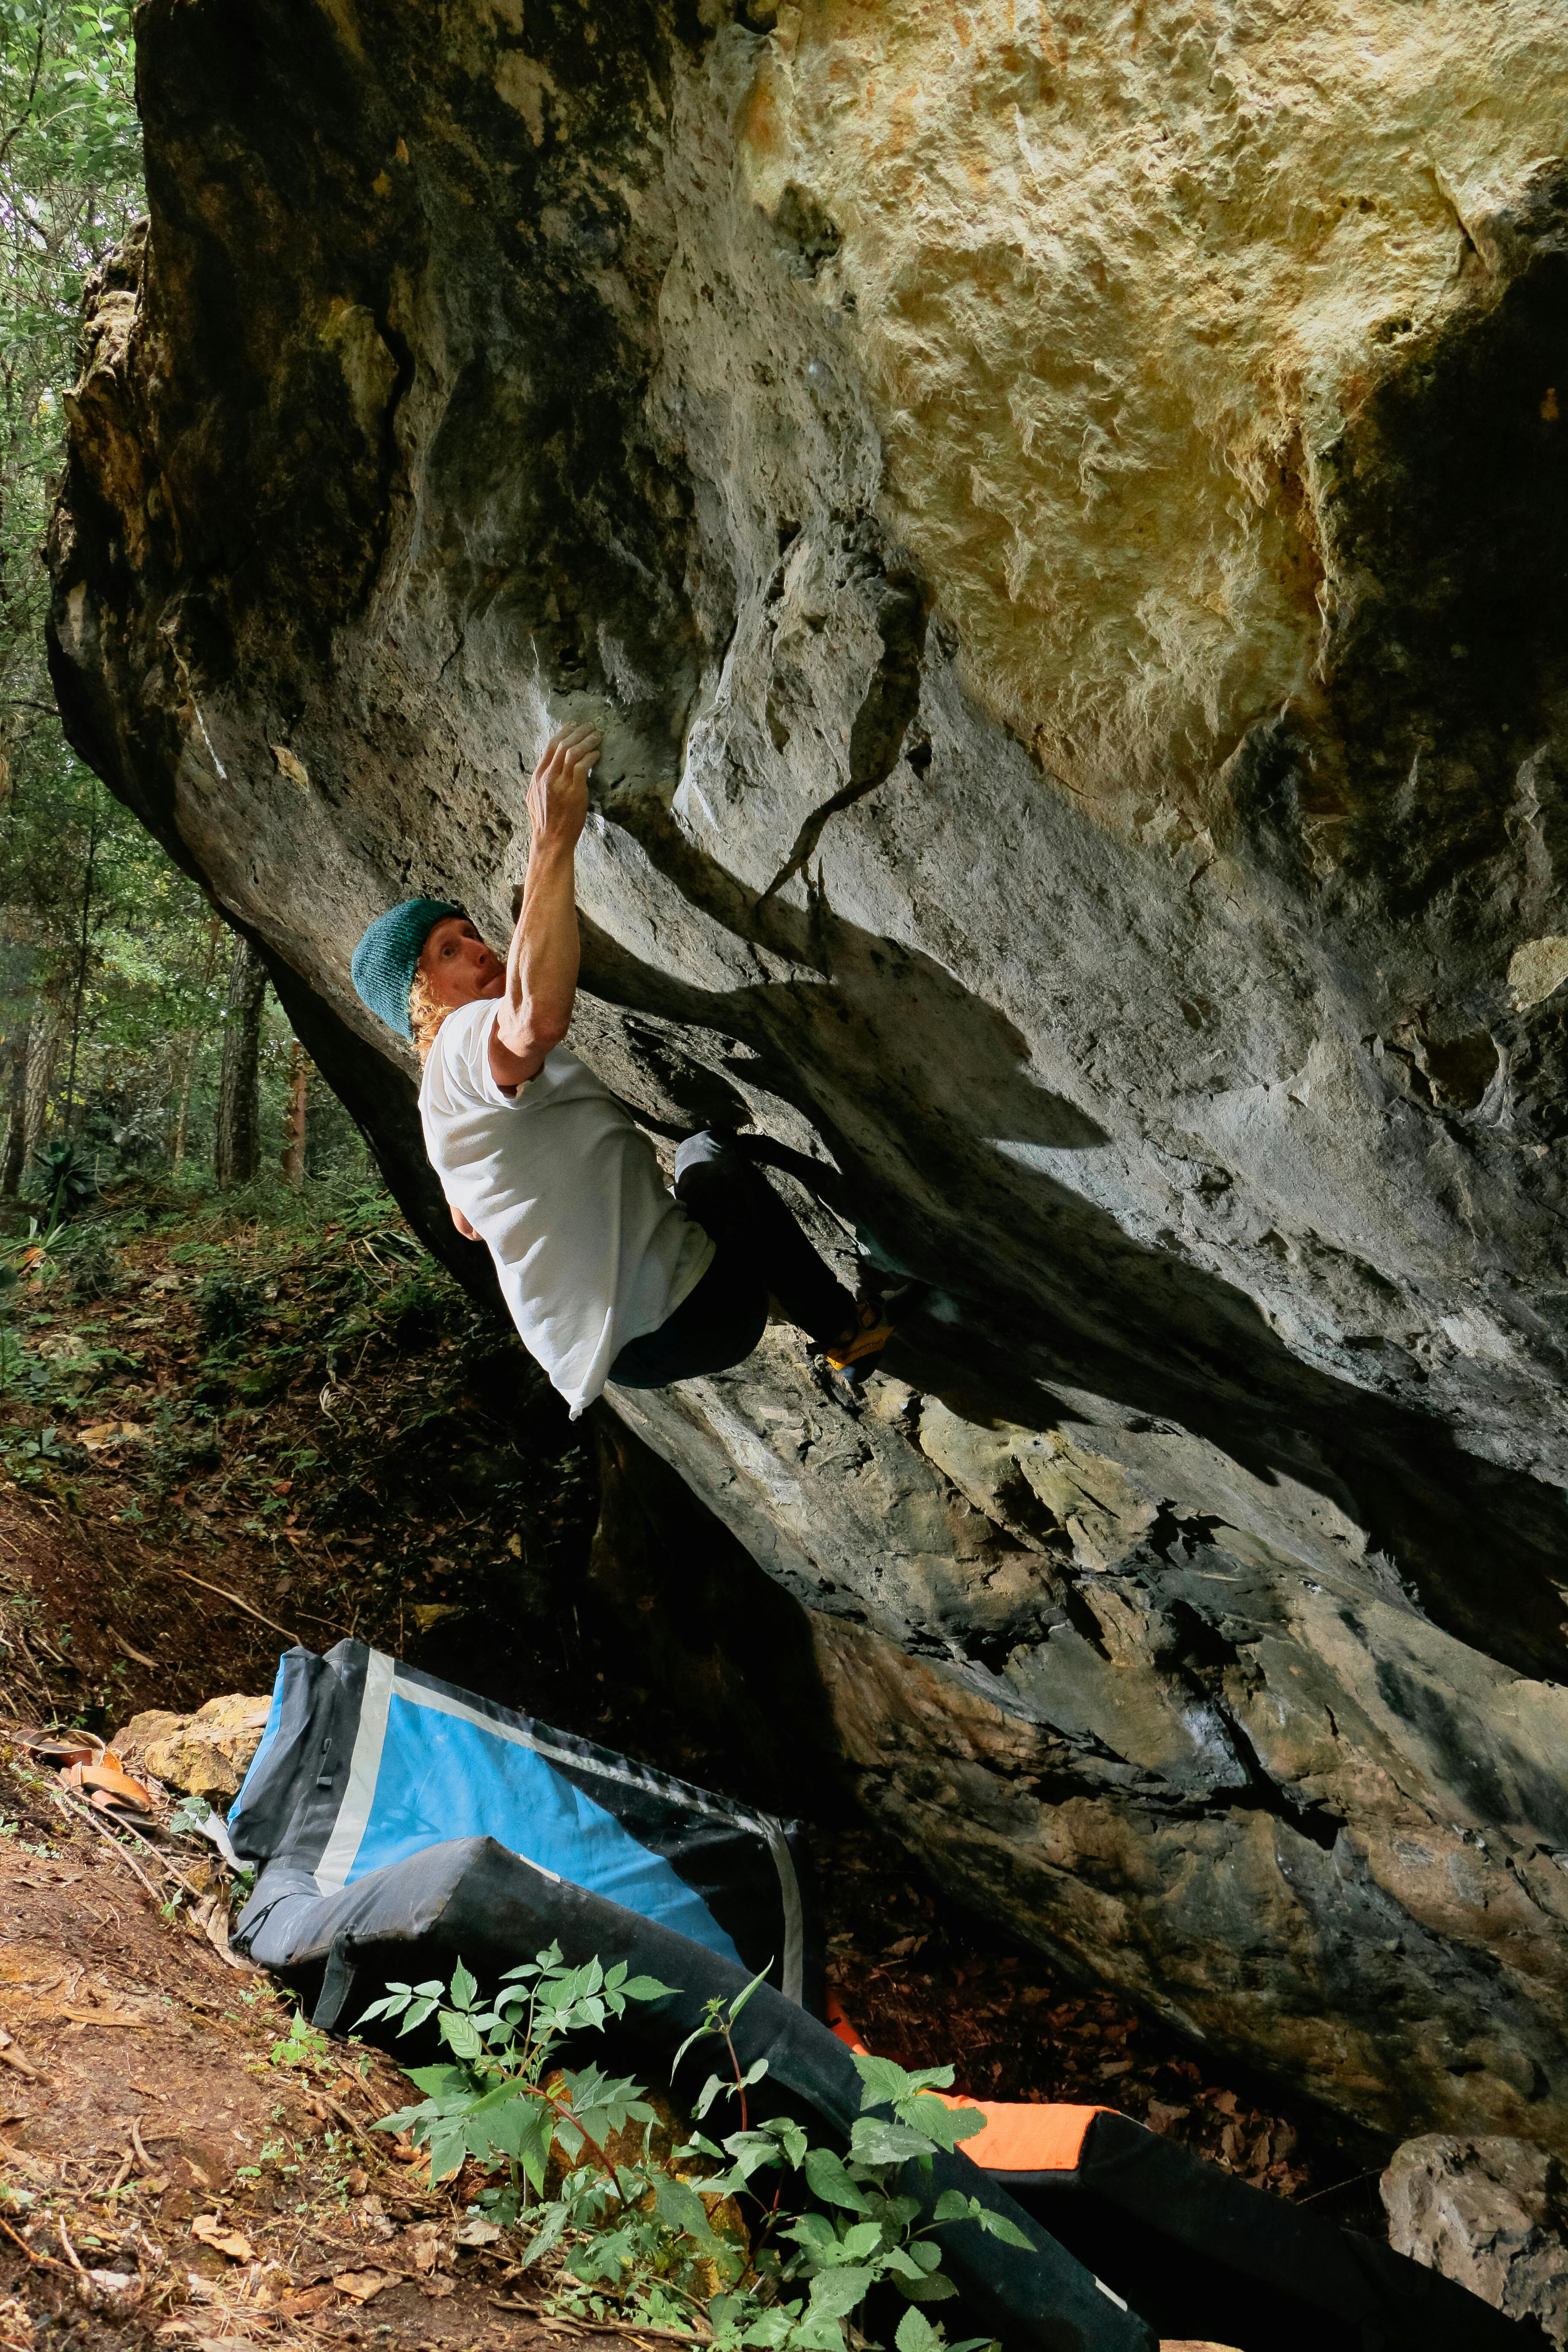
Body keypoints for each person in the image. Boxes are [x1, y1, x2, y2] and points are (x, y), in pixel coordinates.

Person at [350, 723, 893, 1419]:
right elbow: (535, 1023)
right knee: (710, 1156)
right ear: (423, 1002)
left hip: (624, 1359)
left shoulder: (441, 1103)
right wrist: (552, 840)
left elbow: (468, 1221)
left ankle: (792, 1298)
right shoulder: (461, 1038)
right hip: (693, 1315)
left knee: (682, 1190)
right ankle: (848, 1330)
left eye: (470, 935)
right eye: (448, 953)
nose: (480, 952)